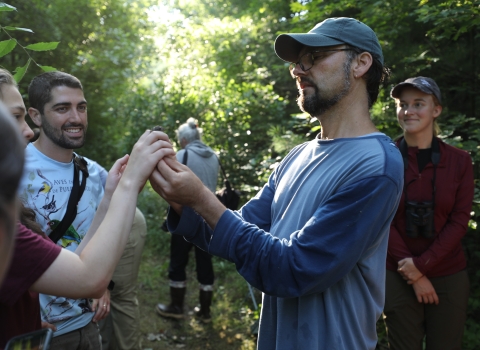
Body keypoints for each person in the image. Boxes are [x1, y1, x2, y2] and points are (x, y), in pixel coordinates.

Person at [149, 17, 404, 349]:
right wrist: (180, 198)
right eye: (298, 62)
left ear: (361, 63)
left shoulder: (376, 165)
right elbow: (237, 228)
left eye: (314, 57)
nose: (299, 70)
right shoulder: (298, 155)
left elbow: (294, 268)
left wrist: (201, 197)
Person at [0, 86, 175, 348]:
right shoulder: (7, 223)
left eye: (81, 107)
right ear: (40, 115)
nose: (26, 130)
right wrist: (129, 183)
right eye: (14, 117)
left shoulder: (90, 170)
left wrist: (109, 198)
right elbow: (89, 277)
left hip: (75, 325)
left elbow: (80, 267)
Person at [384, 77, 474, 349]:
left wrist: (421, 267)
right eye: (403, 104)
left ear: (436, 110)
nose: (408, 111)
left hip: (448, 272)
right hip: (396, 271)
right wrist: (412, 273)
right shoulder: (383, 157)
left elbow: (459, 221)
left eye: (418, 104)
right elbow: (380, 219)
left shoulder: (460, 160)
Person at [156, 118, 219, 323]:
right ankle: (206, 311)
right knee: (205, 263)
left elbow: (170, 186)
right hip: (210, 218)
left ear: (184, 140)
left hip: (186, 218)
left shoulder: (183, 155)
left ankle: (176, 307)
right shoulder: (214, 157)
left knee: (178, 262)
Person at [94, 162, 147, 350]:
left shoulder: (79, 163)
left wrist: (104, 279)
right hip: (101, 228)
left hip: (124, 223)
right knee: (99, 298)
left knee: (120, 295)